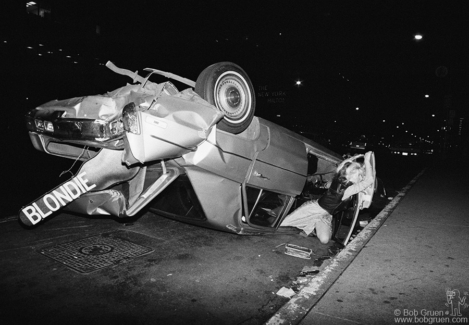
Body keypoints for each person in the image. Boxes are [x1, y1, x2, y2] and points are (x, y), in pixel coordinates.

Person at [280, 151, 374, 244]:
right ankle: (309, 226)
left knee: (324, 240)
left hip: (325, 215)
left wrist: (355, 158)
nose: (361, 178)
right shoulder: (349, 188)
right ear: (352, 175)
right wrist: (366, 160)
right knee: (282, 224)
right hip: (313, 209)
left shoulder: (340, 176)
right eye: (360, 175)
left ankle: (313, 226)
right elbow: (369, 180)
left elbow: (343, 164)